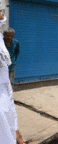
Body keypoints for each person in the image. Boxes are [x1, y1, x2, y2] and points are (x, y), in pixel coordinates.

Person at [0, 11, 23, 144]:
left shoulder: (15, 43)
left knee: (10, 85)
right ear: (5, 35)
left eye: (11, 35)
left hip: (10, 66)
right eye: (7, 35)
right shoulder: (2, 41)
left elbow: (16, 52)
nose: (9, 37)